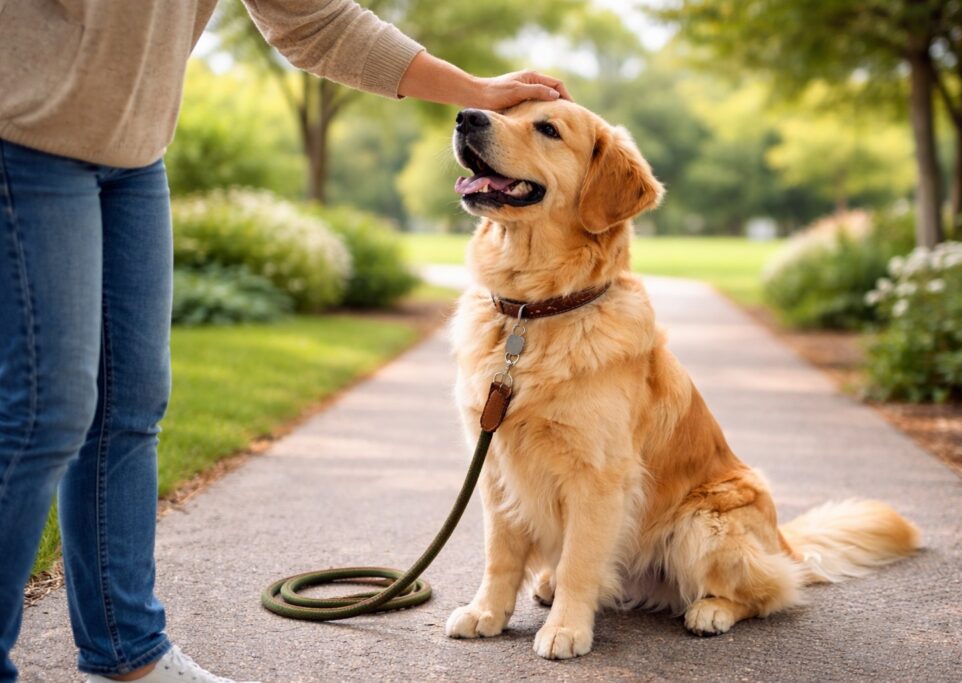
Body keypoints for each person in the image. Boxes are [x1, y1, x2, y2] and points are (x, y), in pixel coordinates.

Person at [0, 1, 569, 681]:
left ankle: (125, 652)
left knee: (130, 407)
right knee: (45, 410)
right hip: (24, 137)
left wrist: (477, 91)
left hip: (132, 156)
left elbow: (316, 20)